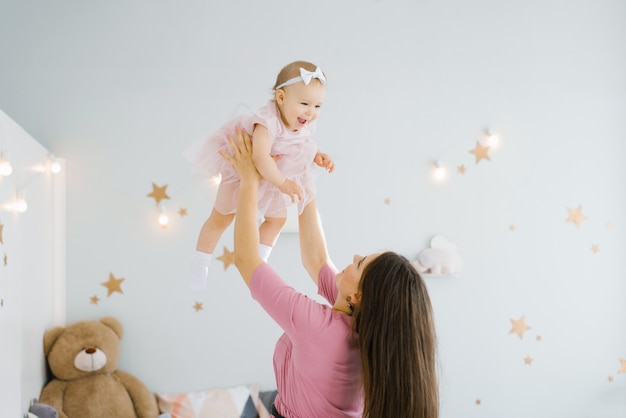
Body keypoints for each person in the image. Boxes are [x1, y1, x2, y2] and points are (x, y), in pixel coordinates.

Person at [221, 129, 439, 418]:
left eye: (360, 264)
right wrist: (302, 176)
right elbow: (316, 257)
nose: (354, 257)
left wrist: (249, 180)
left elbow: (247, 259)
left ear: (358, 296)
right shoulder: (363, 326)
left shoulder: (319, 327)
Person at [185, 60, 335, 290]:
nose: (311, 112)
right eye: (305, 103)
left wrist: (317, 155)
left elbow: (302, 143)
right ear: (282, 98)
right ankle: (200, 263)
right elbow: (260, 158)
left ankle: (257, 262)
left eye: (317, 106)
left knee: (277, 219)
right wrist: (284, 183)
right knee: (221, 218)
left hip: (270, 178)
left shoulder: (301, 124)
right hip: (244, 173)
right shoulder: (266, 121)